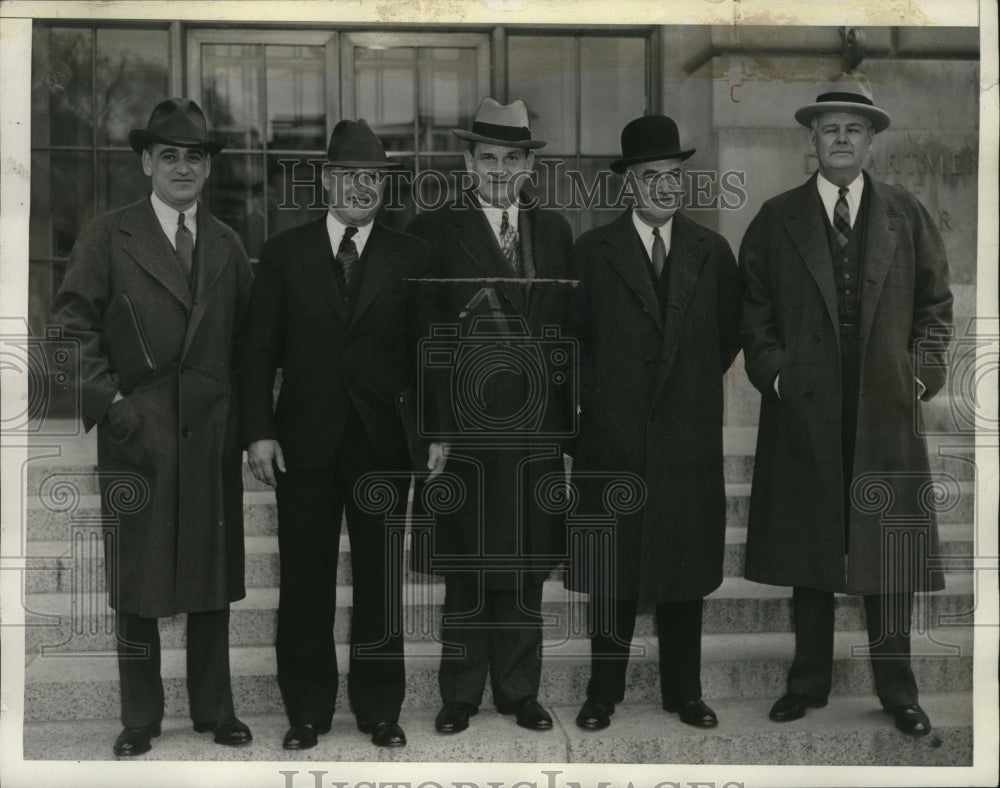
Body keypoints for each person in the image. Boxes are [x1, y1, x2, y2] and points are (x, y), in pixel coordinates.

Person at [739, 72, 953, 736]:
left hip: (884, 409)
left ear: (870, 142)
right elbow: (754, 315)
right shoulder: (778, 218)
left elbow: (936, 307)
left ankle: (898, 688)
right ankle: (806, 684)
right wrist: (775, 377)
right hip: (804, 410)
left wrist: (918, 375)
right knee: (810, 552)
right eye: (829, 128)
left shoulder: (906, 213)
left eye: (853, 129)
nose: (840, 139)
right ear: (812, 139)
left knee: (888, 552)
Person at [53, 97, 254, 756]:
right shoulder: (107, 235)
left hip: (209, 432)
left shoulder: (226, 244)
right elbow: (70, 329)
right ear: (146, 161)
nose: (182, 168)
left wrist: (243, 421)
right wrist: (111, 406)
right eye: (169, 155)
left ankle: (214, 710)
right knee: (137, 578)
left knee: (210, 578)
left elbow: (249, 344)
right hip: (137, 430)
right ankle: (140, 717)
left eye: (194, 157)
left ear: (207, 168)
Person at [240, 119, 436, 750]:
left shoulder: (411, 257)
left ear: (384, 184)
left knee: (381, 581)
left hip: (382, 446)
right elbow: (256, 353)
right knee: (305, 581)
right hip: (304, 444)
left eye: (373, 177)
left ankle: (380, 708)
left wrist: (436, 433)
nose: (361, 187)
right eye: (350, 175)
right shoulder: (284, 252)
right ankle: (307, 711)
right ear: (327, 180)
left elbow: (429, 352)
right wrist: (259, 434)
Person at [565, 114, 741, 732]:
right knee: (611, 569)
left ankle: (683, 692)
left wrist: (684, 393)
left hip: (687, 436)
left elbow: (727, 338)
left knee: (684, 568)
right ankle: (602, 692)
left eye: (673, 177)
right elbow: (574, 341)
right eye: (650, 177)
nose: (664, 188)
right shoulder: (592, 251)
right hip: (612, 436)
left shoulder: (711, 252)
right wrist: (601, 407)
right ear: (628, 185)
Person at [406, 98, 574, 735]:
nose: (500, 169)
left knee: (526, 565)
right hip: (465, 427)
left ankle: (519, 691)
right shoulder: (434, 230)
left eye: (513, 158)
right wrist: (436, 429)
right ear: (467, 163)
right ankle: (459, 695)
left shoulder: (555, 231)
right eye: (488, 157)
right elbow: (423, 337)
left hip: (534, 429)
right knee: (468, 564)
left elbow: (568, 335)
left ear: (529, 165)